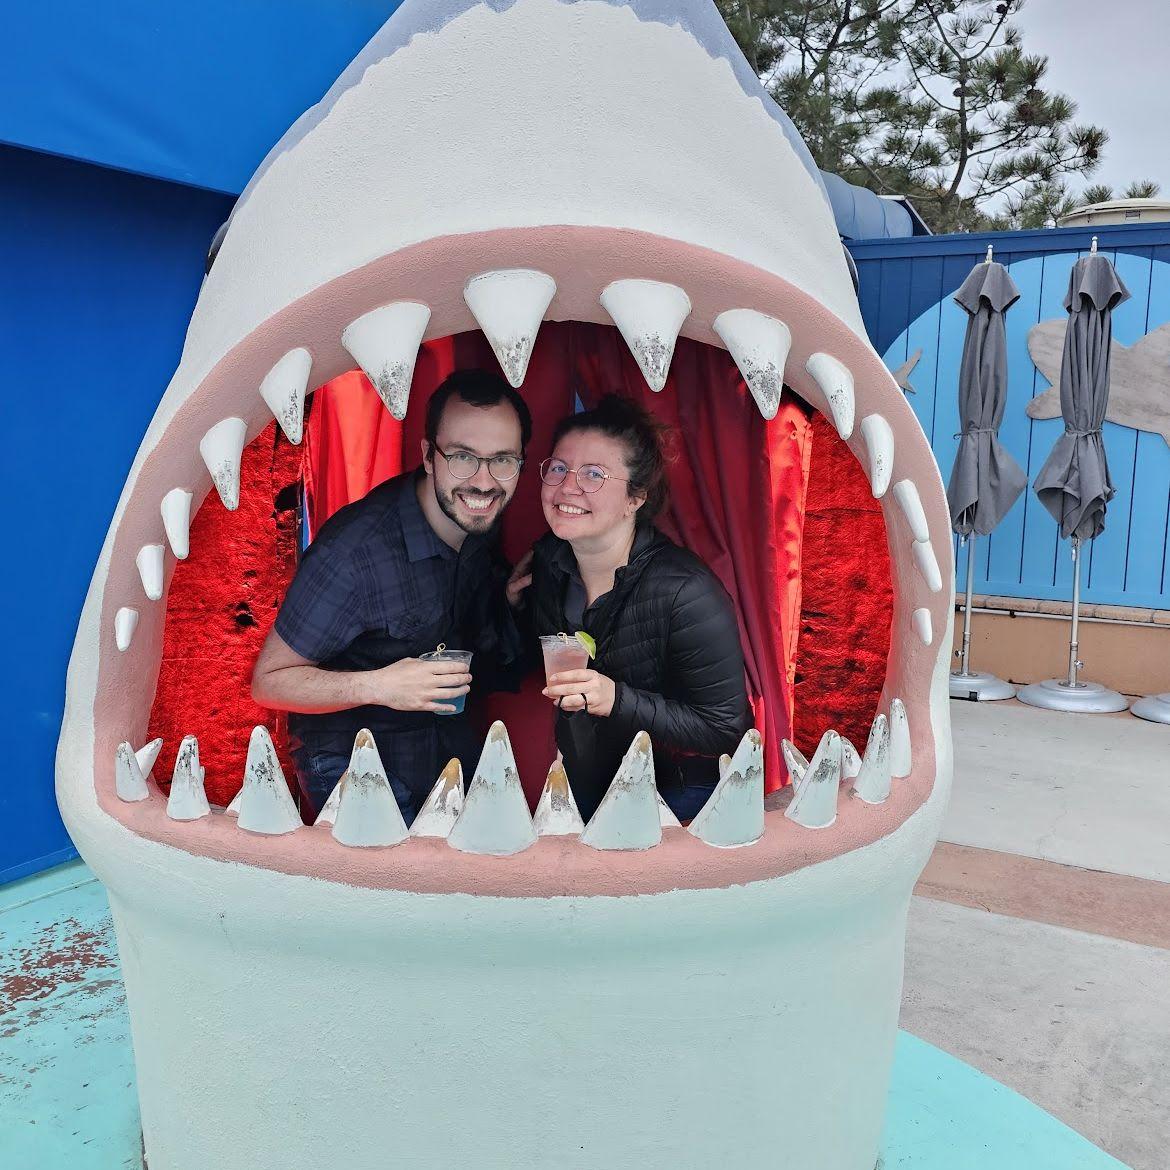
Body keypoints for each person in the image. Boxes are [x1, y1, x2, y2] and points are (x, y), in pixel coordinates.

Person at [251, 369, 532, 820]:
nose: (483, 481)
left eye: (502, 460)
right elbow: (270, 682)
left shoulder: (477, 520)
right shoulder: (354, 552)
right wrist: (378, 685)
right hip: (352, 761)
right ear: (429, 456)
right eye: (462, 457)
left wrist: (509, 601)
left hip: (443, 746)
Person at [528, 395, 752, 821]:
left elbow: (726, 729)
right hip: (588, 786)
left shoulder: (686, 592)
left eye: (594, 474)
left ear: (636, 498)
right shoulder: (549, 563)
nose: (568, 486)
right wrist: (509, 602)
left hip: (682, 801)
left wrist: (614, 698)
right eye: (558, 468)